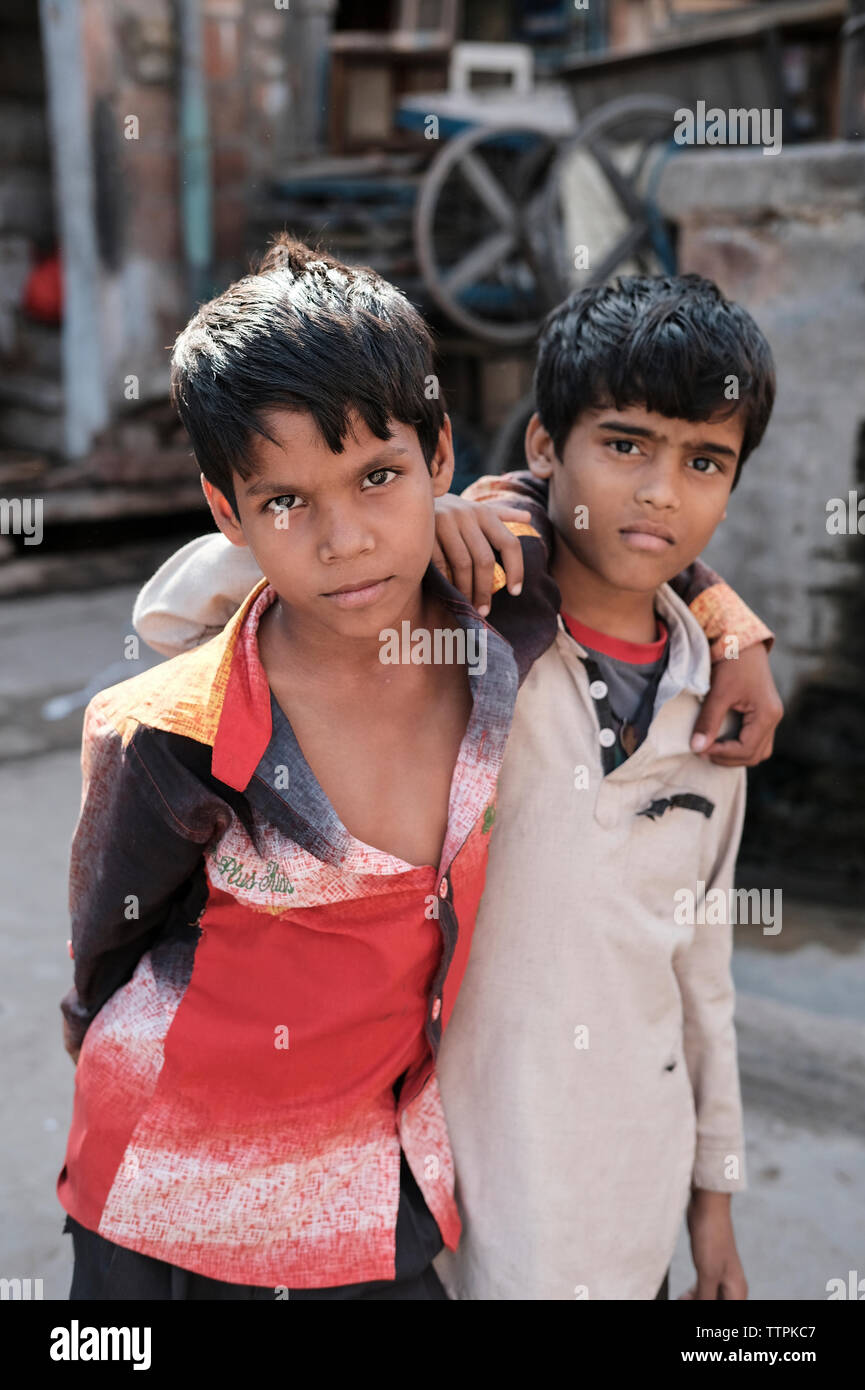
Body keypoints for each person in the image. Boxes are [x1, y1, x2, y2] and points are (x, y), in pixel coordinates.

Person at [124, 254, 784, 1299]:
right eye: (622, 446)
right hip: (456, 1199)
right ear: (539, 446)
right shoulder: (456, 632)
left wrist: (713, 1208)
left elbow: (702, 978)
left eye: (704, 462)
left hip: (629, 1202)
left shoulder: (716, 703)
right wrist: (411, 518)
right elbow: (180, 614)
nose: (658, 489)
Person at [57, 235, 557, 1300]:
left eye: (377, 476)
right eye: (284, 501)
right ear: (227, 514)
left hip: (372, 1190)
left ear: (438, 456)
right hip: (163, 1193)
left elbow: (631, 527)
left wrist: (728, 627)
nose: (343, 539)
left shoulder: (501, 616)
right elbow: (105, 955)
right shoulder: (173, 734)